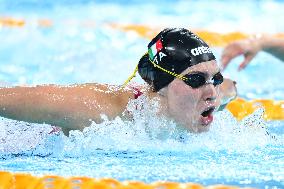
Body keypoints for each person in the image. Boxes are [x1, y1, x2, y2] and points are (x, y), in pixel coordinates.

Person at [0, 28, 237, 135]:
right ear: (160, 87)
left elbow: (228, 88)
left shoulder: (216, 94)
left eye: (214, 78)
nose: (212, 93)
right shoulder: (105, 111)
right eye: (195, 80)